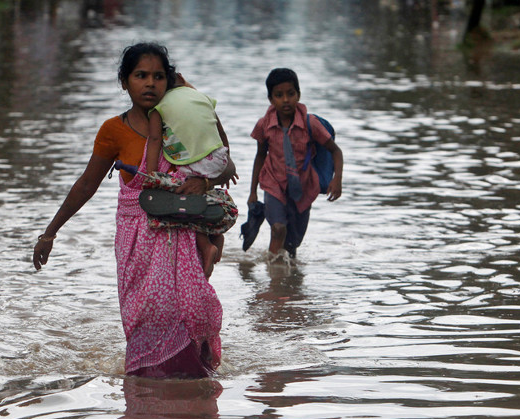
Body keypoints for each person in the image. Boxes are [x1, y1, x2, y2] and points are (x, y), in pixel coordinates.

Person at [32, 42, 237, 379]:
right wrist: (50, 232)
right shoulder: (114, 131)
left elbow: (223, 161)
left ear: (169, 82)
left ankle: (191, 391)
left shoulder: (181, 119)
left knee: (189, 306)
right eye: (140, 75)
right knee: (147, 309)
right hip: (136, 240)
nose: (150, 83)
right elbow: (87, 184)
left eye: (159, 76)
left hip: (180, 232)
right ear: (124, 82)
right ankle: (148, 390)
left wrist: (202, 179)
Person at [247, 68, 344, 259]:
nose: (285, 100)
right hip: (273, 184)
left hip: (303, 187)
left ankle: (289, 283)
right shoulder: (264, 125)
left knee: (292, 244)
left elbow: (336, 151)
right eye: (279, 95)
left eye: (290, 94)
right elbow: (260, 156)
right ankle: (274, 278)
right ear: (271, 99)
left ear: (298, 95)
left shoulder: (311, 124)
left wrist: (337, 179)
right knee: (278, 228)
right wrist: (253, 192)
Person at [144, 84, 232, 278]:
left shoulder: (158, 109)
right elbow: (222, 134)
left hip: (199, 161)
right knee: (200, 192)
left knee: (185, 199)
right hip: (219, 155)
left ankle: (207, 244)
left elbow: (155, 139)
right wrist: (227, 160)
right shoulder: (200, 97)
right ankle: (216, 233)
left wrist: (152, 176)